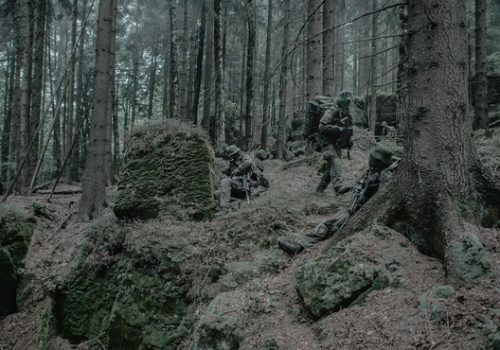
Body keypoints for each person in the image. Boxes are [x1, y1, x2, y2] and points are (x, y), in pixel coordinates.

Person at [277, 145, 395, 257]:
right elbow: (361, 185)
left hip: (362, 211)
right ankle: (300, 244)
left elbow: (381, 198)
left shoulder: (384, 176)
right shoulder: (372, 170)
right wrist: (350, 189)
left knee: (330, 223)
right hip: (355, 207)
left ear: (379, 161)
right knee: (330, 222)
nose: (370, 159)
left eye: (373, 158)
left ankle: (299, 246)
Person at [315, 91, 354, 194]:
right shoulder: (332, 111)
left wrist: (348, 140)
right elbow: (321, 127)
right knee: (335, 161)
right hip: (326, 142)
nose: (348, 105)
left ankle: (320, 189)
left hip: (337, 143)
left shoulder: (347, 113)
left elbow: (349, 129)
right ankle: (338, 187)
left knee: (332, 166)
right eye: (347, 102)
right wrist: (337, 129)